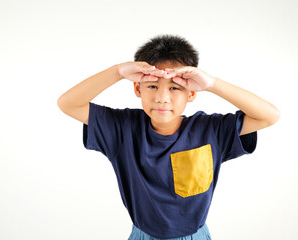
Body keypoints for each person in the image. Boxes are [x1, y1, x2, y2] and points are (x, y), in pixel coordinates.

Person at [57, 35, 280, 240]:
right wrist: (117, 72)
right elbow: (67, 103)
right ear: (138, 88)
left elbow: (269, 116)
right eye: (152, 86)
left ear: (191, 93)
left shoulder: (210, 130)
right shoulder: (121, 128)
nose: (162, 98)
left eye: (174, 88)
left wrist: (211, 84)